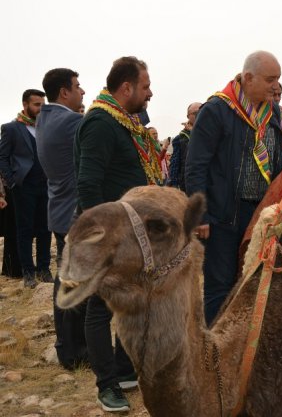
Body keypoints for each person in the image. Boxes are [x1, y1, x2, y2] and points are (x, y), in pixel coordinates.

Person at [75, 56, 159, 412]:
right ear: (126, 88)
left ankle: (124, 371)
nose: (150, 93)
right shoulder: (99, 122)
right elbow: (88, 182)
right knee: (100, 309)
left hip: (131, 232)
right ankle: (106, 386)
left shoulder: (125, 122)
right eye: (145, 86)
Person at [186, 50, 282, 326]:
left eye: (278, 79)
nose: (276, 86)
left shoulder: (273, 113)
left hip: (259, 215)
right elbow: (196, 165)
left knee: (250, 283)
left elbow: (274, 156)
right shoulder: (217, 110)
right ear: (248, 78)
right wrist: (200, 215)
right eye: (270, 79)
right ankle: (214, 353)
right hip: (222, 217)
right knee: (219, 287)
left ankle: (239, 351)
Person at [35, 68, 88, 370]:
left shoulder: (45, 117)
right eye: (78, 87)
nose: (82, 92)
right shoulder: (69, 121)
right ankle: (74, 351)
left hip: (58, 209)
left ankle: (67, 345)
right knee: (72, 284)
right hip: (72, 214)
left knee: (66, 280)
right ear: (64, 92)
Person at [0, 89, 53, 288]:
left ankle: (44, 269)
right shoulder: (11, 128)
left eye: (43, 105)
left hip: (46, 185)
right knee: (24, 230)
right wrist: (12, 181)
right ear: (25, 105)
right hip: (23, 187)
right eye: (37, 105)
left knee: (45, 229)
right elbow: (2, 157)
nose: (41, 109)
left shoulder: (45, 127)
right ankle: (28, 272)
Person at [168, 102, 201, 191]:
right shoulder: (180, 138)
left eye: (201, 111)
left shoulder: (213, 133)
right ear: (188, 116)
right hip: (188, 184)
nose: (199, 115)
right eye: (195, 113)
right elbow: (175, 163)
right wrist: (173, 185)